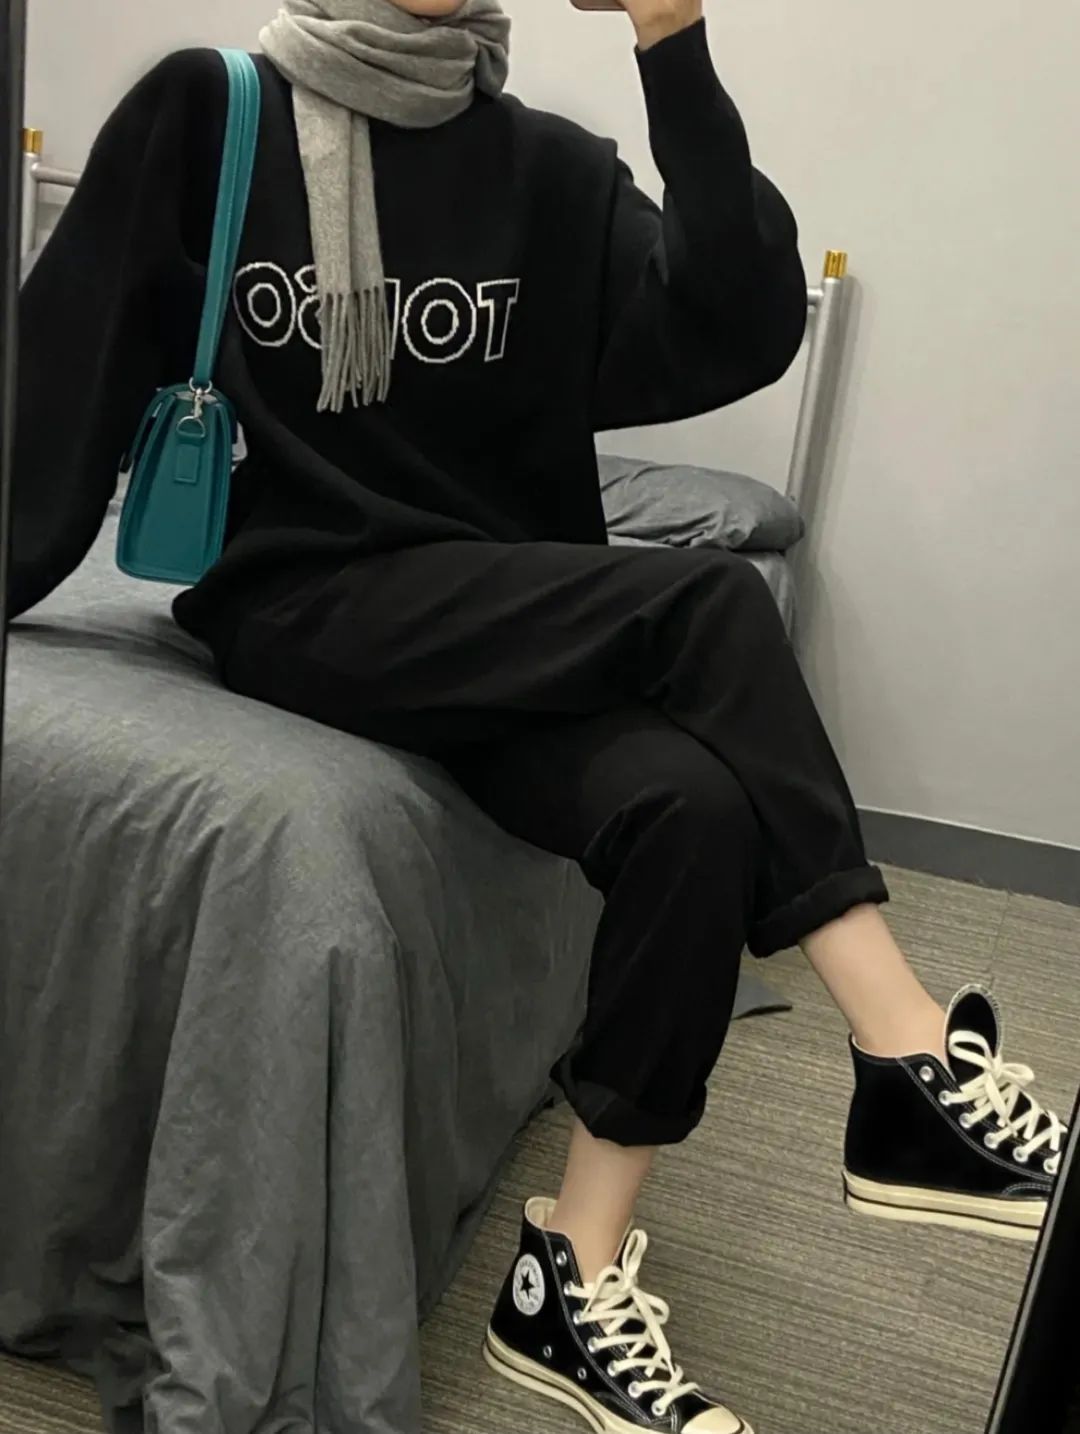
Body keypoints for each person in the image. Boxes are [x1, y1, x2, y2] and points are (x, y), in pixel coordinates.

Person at [9, 2, 1067, 1431]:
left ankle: (568, 1277)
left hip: (496, 623)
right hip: (308, 602)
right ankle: (905, 1048)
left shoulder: (554, 175)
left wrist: (673, 39)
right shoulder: (216, 111)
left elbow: (739, 323)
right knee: (709, 607)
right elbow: (59, 376)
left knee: (692, 812)